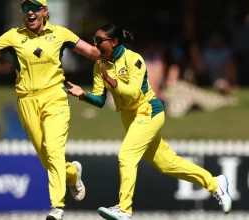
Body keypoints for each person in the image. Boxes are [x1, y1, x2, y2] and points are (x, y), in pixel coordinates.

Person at [65, 24, 232, 220]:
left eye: (99, 40)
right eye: (94, 40)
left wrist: (112, 81)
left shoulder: (133, 59)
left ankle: (124, 209)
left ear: (114, 42)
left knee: (126, 155)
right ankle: (214, 183)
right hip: (129, 118)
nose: (95, 45)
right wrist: (84, 95)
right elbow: (101, 100)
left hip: (149, 112)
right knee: (166, 164)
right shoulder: (99, 65)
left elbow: (134, 92)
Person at [0, 1, 101, 219]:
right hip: (27, 101)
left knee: (54, 150)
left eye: (35, 8)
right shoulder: (12, 36)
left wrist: (114, 48)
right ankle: (72, 173)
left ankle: (57, 206)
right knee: (46, 158)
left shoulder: (61, 34)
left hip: (55, 97)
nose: (30, 12)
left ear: (45, 12)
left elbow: (93, 52)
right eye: (25, 9)